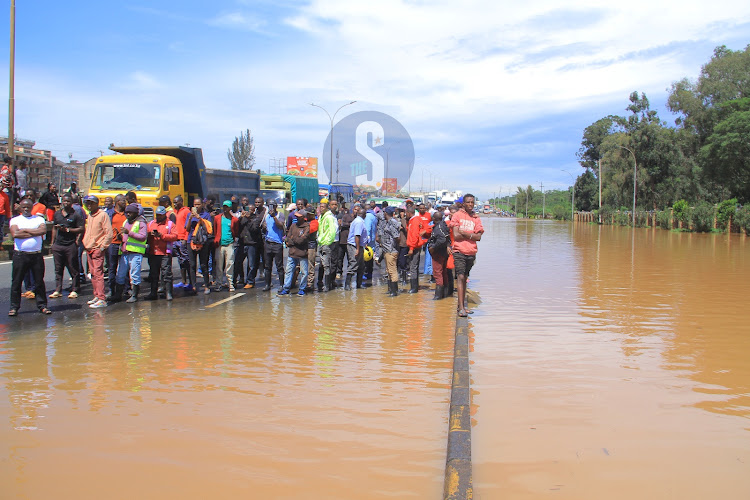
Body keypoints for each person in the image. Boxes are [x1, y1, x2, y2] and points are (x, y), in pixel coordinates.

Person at [8, 199, 51, 316]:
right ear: (20, 208)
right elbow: (15, 234)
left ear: (32, 207)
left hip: (36, 255)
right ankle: (14, 307)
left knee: (39, 282)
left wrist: (25, 230)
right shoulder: (15, 220)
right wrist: (34, 232)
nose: (26, 209)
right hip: (20, 255)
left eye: (28, 207)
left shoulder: (38, 219)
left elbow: (42, 230)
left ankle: (42, 305)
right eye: (23, 207)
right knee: (16, 282)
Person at [449, 193, 484, 317]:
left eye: (472, 202)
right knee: (461, 277)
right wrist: (471, 235)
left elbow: (479, 237)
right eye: (468, 202)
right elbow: (456, 235)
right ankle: (461, 308)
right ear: (463, 203)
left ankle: (461, 306)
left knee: (465, 278)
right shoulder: (457, 215)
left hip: (471, 251)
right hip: (459, 251)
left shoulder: (476, 217)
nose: (470, 204)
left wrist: (465, 233)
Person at [49, 193, 85, 300]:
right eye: (64, 201)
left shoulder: (75, 215)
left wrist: (70, 231)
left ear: (71, 203)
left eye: (68, 201)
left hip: (70, 244)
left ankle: (75, 289)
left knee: (73, 267)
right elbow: (54, 228)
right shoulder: (57, 214)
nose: (66, 203)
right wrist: (52, 242)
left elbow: (81, 229)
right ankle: (58, 290)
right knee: (58, 268)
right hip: (58, 245)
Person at [82, 195, 113, 309]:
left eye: (91, 203)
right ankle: (96, 295)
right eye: (87, 203)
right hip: (90, 248)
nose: (89, 205)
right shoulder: (90, 215)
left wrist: (102, 247)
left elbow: (109, 233)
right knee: (93, 274)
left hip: (97, 249)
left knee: (99, 274)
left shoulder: (102, 215)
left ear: (96, 203)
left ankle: (101, 298)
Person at [114, 203, 148, 303]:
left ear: (135, 213)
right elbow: (125, 237)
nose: (128, 214)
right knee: (120, 274)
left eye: (130, 212)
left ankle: (135, 295)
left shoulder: (141, 223)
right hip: (125, 252)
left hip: (135, 253)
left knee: (134, 275)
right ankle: (118, 294)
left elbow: (143, 237)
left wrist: (129, 232)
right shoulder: (126, 222)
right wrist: (119, 236)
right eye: (126, 212)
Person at [145, 206, 178, 300]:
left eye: (160, 215)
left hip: (165, 253)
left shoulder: (170, 224)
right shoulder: (151, 223)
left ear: (164, 214)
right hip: (153, 252)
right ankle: (153, 293)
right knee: (154, 274)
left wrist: (162, 235)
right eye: (157, 215)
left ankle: (168, 293)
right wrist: (149, 234)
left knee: (166, 273)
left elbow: (175, 236)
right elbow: (145, 235)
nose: (159, 217)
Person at [278, 208, 310, 296]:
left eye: (299, 217)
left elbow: (302, 240)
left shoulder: (307, 227)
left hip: (302, 253)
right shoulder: (293, 226)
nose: (297, 218)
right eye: (296, 216)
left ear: (303, 217)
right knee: (289, 271)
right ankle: (286, 288)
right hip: (292, 253)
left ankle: (302, 288)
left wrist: (293, 239)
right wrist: (291, 240)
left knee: (304, 273)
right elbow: (288, 238)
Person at [185, 198, 214, 295]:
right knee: (192, 265)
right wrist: (190, 218)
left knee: (203, 264)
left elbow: (208, 228)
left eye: (198, 204)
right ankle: (193, 285)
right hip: (191, 241)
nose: (196, 206)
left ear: (202, 204)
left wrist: (199, 218)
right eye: (195, 204)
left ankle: (206, 285)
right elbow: (187, 229)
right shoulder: (189, 214)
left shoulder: (206, 215)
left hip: (203, 242)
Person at [236, 203, 263, 289]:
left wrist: (248, 220)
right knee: (238, 262)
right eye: (248, 209)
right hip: (242, 243)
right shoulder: (242, 218)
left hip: (252, 243)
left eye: (250, 210)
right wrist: (241, 218)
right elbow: (237, 227)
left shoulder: (256, 219)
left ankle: (250, 281)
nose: (248, 211)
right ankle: (236, 280)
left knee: (251, 264)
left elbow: (254, 229)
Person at [213, 200, 239, 292]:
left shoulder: (234, 220)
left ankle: (230, 283)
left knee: (230, 264)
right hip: (220, 245)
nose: (225, 209)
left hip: (229, 244)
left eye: (227, 207)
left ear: (230, 208)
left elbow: (235, 231)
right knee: (219, 266)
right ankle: (219, 283)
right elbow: (215, 230)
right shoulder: (217, 218)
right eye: (224, 206)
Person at [107, 195, 127, 300]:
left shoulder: (127, 214)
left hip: (125, 244)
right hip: (113, 244)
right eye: (123, 200)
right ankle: (111, 290)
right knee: (112, 268)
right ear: (117, 202)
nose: (125, 202)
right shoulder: (110, 213)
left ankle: (126, 289)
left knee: (125, 267)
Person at [406, 203, 430, 293]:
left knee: (413, 267)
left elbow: (414, 235)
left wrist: (411, 248)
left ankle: (414, 288)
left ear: (409, 213)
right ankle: (415, 287)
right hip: (415, 245)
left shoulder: (415, 220)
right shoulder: (414, 220)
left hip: (415, 246)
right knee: (414, 267)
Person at [378, 206, 401, 296]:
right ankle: (391, 289)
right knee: (388, 270)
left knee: (392, 270)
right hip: (386, 249)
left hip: (391, 250)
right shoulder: (387, 222)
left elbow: (397, 237)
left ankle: (394, 291)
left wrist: (394, 247)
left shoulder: (392, 222)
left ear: (386, 213)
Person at [262, 201, 286, 292]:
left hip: (277, 244)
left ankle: (281, 285)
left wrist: (274, 217)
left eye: (272, 206)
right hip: (268, 243)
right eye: (269, 206)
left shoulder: (280, 215)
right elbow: (264, 226)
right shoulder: (266, 215)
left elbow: (280, 226)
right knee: (267, 266)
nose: (271, 208)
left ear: (276, 206)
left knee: (279, 266)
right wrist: (264, 226)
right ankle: (267, 284)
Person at [316, 198, 338, 292]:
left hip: (327, 244)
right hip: (321, 243)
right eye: (320, 206)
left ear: (326, 207)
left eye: (323, 207)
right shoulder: (321, 216)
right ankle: (322, 282)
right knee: (322, 264)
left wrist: (328, 242)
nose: (321, 208)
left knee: (327, 265)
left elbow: (333, 230)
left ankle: (327, 286)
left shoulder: (329, 217)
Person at [428, 211, 451, 300]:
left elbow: (442, 239)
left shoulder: (439, 227)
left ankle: (438, 296)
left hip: (439, 253)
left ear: (434, 218)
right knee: (443, 272)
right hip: (443, 252)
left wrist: (433, 247)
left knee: (438, 273)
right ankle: (444, 294)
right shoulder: (443, 225)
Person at [345, 206, 369, 290]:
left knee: (361, 266)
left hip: (359, 246)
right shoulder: (359, 222)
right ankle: (347, 285)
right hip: (354, 246)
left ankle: (359, 284)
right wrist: (358, 249)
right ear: (364, 215)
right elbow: (357, 236)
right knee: (353, 264)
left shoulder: (359, 221)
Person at [172, 195, 191, 290]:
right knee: (181, 262)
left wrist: (186, 239)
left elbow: (188, 226)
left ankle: (191, 282)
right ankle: (183, 281)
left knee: (187, 261)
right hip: (176, 239)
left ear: (181, 202)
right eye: (174, 203)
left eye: (176, 202)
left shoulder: (186, 211)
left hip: (183, 240)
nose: (174, 204)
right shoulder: (175, 212)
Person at [363, 201, 378, 280]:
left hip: (368, 241)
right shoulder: (373, 216)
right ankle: (369, 274)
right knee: (370, 256)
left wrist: (365, 241)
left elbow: (367, 229)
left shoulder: (368, 216)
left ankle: (366, 274)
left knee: (366, 258)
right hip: (372, 240)